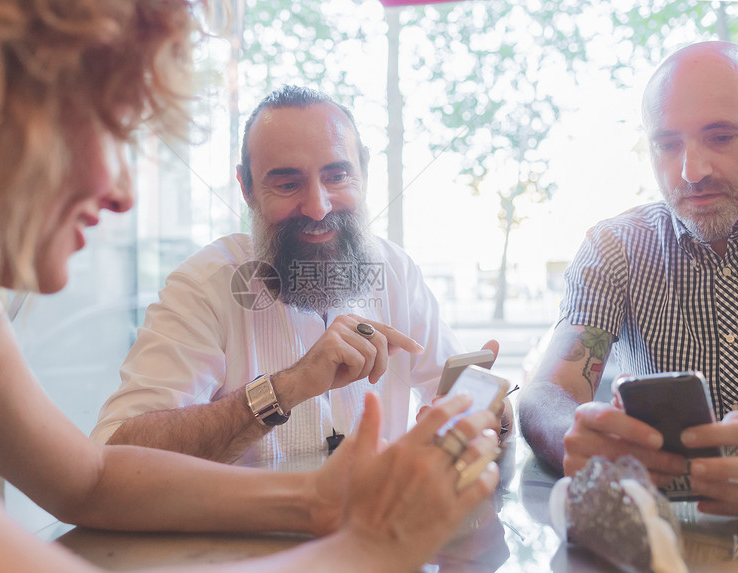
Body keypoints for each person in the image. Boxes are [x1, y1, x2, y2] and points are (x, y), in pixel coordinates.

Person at [0, 1, 503, 571]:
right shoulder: (206, 281)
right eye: (108, 130)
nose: (123, 191)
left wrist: (319, 498)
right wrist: (376, 544)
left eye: (337, 175)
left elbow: (92, 480)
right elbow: (119, 446)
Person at [92, 85, 506, 464]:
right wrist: (287, 387)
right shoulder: (206, 285)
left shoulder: (396, 270)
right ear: (247, 188)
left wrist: (493, 416)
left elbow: (450, 394)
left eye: (337, 175)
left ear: (364, 171)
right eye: (288, 184)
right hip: (246, 542)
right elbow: (112, 452)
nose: (318, 207)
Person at [519, 40, 738, 517]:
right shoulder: (616, 249)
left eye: (721, 137)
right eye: (667, 145)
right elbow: (548, 393)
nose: (691, 171)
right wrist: (573, 439)